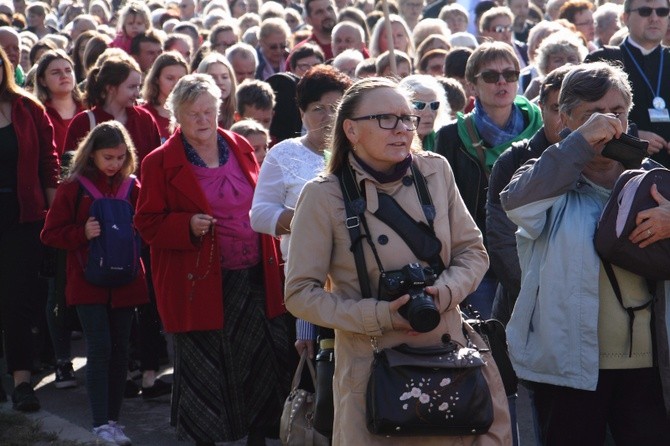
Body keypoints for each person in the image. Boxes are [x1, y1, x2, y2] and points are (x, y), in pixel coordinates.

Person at [283, 76, 511, 445]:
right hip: (373, 373)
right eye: (386, 119)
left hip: (450, 358)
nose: (403, 128)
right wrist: (379, 315)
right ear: (351, 130)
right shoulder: (322, 196)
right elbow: (299, 294)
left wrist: (445, 292)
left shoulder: (435, 171)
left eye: (407, 118)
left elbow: (473, 251)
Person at [500, 61, 670, 445]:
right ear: (564, 120)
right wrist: (579, 142)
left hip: (649, 369)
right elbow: (518, 206)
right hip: (569, 370)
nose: (607, 124)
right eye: (591, 115)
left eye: (616, 113)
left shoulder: (656, 179)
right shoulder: (543, 176)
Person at [134, 74, 291, 445]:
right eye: (193, 114)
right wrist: (186, 224)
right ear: (177, 116)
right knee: (205, 370)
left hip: (253, 272)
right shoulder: (159, 162)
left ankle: (257, 437)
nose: (203, 120)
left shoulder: (238, 144)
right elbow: (146, 222)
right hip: (199, 280)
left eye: (209, 111)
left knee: (260, 362)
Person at [41, 121, 149, 445]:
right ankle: (100, 424)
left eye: (120, 157)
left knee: (119, 352)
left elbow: (146, 225)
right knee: (99, 348)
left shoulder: (133, 186)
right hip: (87, 282)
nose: (114, 164)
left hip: (127, 282)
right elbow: (49, 234)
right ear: (92, 155)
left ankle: (113, 422)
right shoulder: (74, 187)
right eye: (107, 158)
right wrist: (81, 233)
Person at [434, 41, 542, 319]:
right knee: (489, 342)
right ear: (471, 86)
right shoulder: (450, 136)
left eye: (510, 74)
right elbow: (444, 203)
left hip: (534, 253)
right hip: (479, 259)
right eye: (491, 76)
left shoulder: (542, 126)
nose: (502, 82)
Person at [251, 66, 351, 356]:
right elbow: (259, 215)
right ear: (302, 112)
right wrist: (308, 220)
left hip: (355, 276)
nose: (328, 116)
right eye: (318, 108)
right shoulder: (284, 153)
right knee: (319, 364)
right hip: (307, 274)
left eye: (336, 107)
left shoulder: (362, 151)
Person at [0, 45, 59, 412]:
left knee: (17, 299)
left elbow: (48, 162)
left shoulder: (26, 108)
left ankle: (22, 380)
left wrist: (54, 219)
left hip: (23, 217)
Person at [585, 0, 670, 167]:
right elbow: (586, 118)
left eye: (661, 12)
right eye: (645, 11)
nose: (654, 18)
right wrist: (632, 134)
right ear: (625, 18)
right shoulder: (602, 61)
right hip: (620, 171)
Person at [63, 54, 162, 174]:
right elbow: (69, 168)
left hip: (138, 191)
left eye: (138, 87)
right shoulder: (83, 122)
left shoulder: (145, 119)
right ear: (110, 88)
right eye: (131, 87)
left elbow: (157, 164)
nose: (137, 93)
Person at [34, 50, 83, 156]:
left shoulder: (89, 108)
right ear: (42, 80)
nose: (64, 75)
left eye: (68, 70)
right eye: (56, 72)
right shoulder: (37, 114)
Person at [140, 51, 190, 142]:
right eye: (170, 78)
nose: (176, 84)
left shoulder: (192, 113)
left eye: (181, 79)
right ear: (156, 79)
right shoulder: (142, 115)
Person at [399, 74, 450, 152]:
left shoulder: (445, 142)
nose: (428, 113)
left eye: (434, 105)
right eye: (419, 105)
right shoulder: (395, 145)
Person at [197, 52, 237, 129]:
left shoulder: (240, 112)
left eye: (224, 77)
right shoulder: (194, 116)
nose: (220, 82)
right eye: (213, 77)